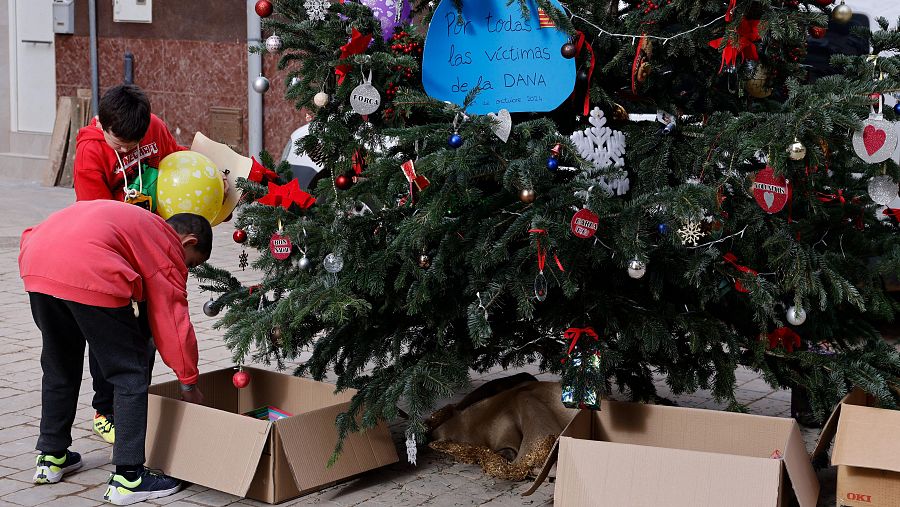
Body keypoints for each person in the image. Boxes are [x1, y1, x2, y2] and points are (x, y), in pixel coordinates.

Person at [19, 200, 210, 505]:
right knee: (130, 372)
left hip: (37, 263)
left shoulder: (140, 224)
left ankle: (52, 457)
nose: (185, 269)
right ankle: (129, 478)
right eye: (191, 264)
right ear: (189, 242)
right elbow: (172, 320)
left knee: (59, 365)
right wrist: (188, 381)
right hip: (89, 268)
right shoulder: (167, 245)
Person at [73, 84, 187, 444]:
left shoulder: (151, 125)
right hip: (114, 251)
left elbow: (177, 163)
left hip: (152, 245)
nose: (130, 150)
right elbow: (93, 217)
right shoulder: (90, 152)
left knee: (148, 333)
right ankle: (105, 410)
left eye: (136, 142)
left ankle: (134, 403)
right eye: (121, 144)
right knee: (113, 332)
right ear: (104, 126)